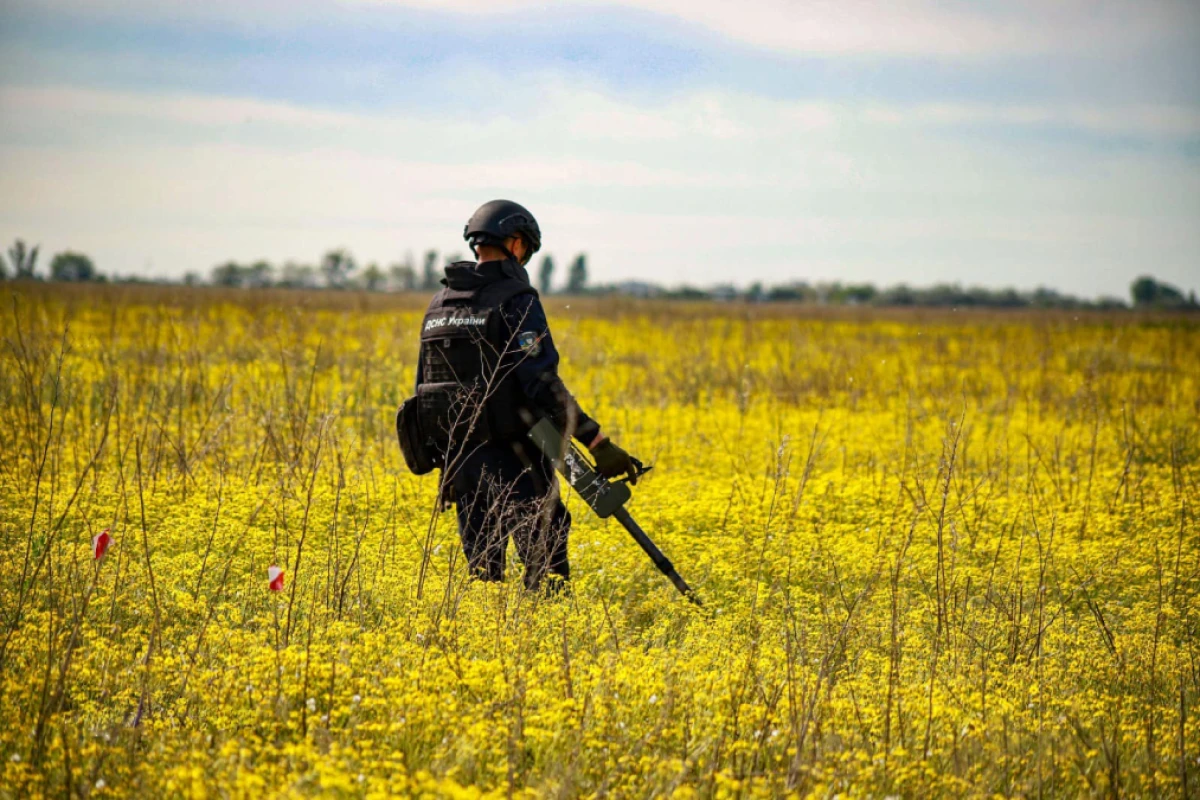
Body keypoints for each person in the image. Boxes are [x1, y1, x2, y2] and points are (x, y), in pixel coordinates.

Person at [413, 199, 640, 590]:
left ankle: (490, 641)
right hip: (511, 453)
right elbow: (541, 383)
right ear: (516, 244)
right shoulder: (516, 300)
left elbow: (425, 389)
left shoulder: (440, 304)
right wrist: (596, 440)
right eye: (527, 252)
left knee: (484, 575)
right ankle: (545, 639)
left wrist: (448, 469)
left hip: (461, 461)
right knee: (546, 560)